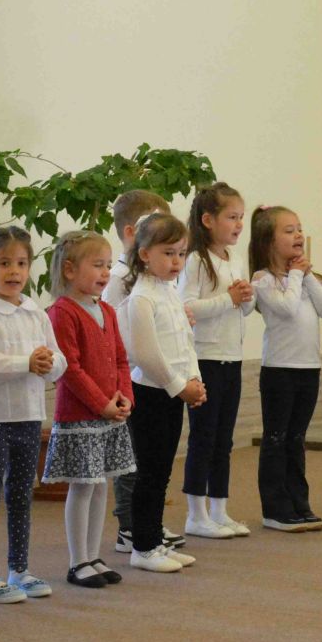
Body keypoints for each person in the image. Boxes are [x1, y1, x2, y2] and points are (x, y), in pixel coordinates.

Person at [0, 226, 66, 603]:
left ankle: (19, 570)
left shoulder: (35, 312)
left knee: (22, 496)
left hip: (29, 417)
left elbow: (58, 359)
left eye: (21, 263)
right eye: (4, 263)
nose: (14, 271)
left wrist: (49, 362)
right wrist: (27, 362)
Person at [44, 231, 136, 588]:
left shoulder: (108, 311)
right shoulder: (62, 312)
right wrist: (101, 404)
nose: (105, 273)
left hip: (110, 415)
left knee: (101, 486)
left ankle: (94, 556)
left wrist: (125, 397)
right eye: (97, 265)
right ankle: (77, 561)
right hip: (81, 416)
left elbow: (121, 360)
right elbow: (70, 368)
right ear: (69, 269)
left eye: (108, 265)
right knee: (83, 486)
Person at [122, 213, 209, 571]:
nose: (176, 262)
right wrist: (179, 386)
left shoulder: (169, 291)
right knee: (150, 472)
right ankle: (142, 548)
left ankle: (155, 540)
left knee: (162, 472)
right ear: (145, 254)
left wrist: (195, 379)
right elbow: (145, 355)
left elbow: (185, 342)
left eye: (181, 254)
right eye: (168, 253)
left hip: (174, 391)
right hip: (151, 393)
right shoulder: (141, 297)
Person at [99, 189, 183, 555]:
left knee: (150, 461)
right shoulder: (119, 278)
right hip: (132, 377)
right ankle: (131, 527)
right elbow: (116, 329)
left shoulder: (157, 280)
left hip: (151, 375)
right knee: (133, 458)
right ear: (134, 234)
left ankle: (146, 524)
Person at [250, 205, 322, 532]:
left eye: (299, 228)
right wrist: (297, 275)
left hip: (309, 368)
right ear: (268, 240)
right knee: (276, 438)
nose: (298, 235)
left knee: (297, 438)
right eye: (289, 230)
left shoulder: (304, 280)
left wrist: (307, 275)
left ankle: (299, 501)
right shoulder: (263, 279)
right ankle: (275, 508)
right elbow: (286, 309)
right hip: (279, 370)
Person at [178, 182, 255, 539]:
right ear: (208, 220)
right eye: (231, 217)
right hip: (206, 358)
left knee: (224, 439)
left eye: (241, 217)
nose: (239, 224)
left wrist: (246, 297)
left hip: (232, 357)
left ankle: (219, 510)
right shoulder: (196, 260)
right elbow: (187, 308)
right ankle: (196, 514)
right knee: (204, 437)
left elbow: (243, 308)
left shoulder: (234, 259)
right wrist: (229, 299)